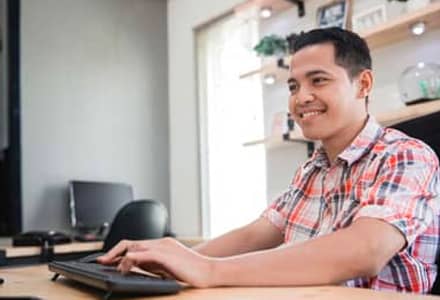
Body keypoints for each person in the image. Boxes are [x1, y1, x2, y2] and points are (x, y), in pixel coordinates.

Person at [98, 28, 440, 293]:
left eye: (318, 80)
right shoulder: (311, 171)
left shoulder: (406, 155)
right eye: (293, 86)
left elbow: (365, 250)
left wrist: (209, 270)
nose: (301, 97)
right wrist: (173, 258)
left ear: (362, 84)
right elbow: (255, 234)